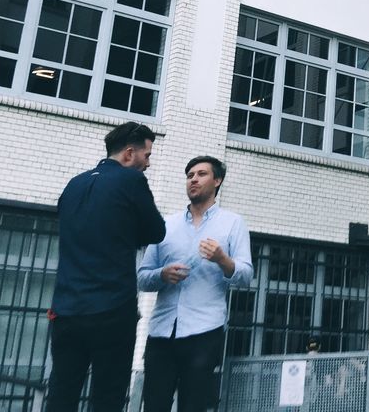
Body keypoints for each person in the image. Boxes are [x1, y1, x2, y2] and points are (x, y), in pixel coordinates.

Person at [46, 123, 166, 412]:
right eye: (146, 156)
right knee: (107, 397)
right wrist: (130, 235)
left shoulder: (74, 184)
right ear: (128, 154)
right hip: (111, 309)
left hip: (65, 310)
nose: (147, 164)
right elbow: (156, 231)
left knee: (61, 393)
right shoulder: (131, 182)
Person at [138, 155, 253, 412]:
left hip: (204, 331)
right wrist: (162, 275)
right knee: (154, 406)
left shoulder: (233, 223)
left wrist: (223, 259)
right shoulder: (166, 224)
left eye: (201, 174)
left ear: (217, 181)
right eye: (190, 175)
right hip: (161, 332)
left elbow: (246, 275)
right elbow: (142, 277)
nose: (193, 180)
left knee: (194, 406)